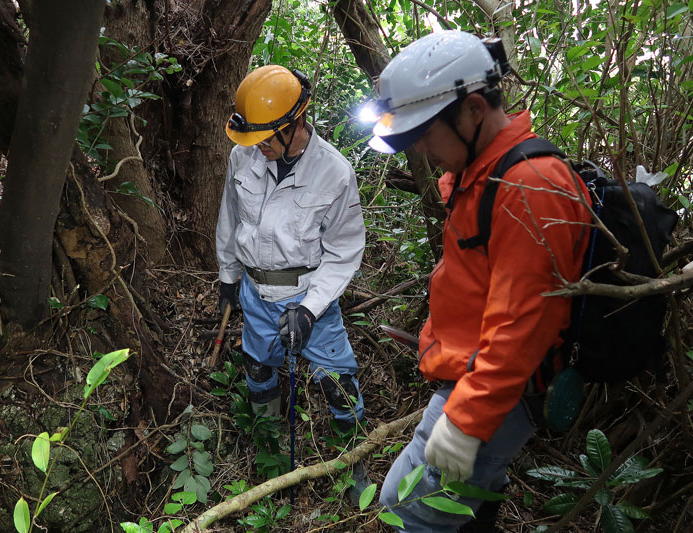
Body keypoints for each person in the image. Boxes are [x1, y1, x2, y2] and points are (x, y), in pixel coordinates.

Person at [366, 31, 591, 531]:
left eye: (424, 132)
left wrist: (468, 420)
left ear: (472, 110)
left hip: (492, 389)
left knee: (405, 512)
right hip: (471, 376)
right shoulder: (481, 172)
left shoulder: (530, 186)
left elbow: (524, 323)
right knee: (464, 504)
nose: (420, 148)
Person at [215, 64, 366, 434]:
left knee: (337, 381)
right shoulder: (244, 156)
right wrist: (227, 279)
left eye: (267, 138)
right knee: (258, 368)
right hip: (254, 294)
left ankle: (351, 454)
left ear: (295, 124)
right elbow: (230, 220)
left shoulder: (334, 173)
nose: (259, 147)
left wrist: (310, 312)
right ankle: (267, 441)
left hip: (307, 295)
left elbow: (344, 252)